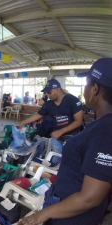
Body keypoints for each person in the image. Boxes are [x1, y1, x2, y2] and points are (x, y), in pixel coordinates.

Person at [19, 58, 112, 225]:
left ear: (95, 89)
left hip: (72, 217)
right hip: (66, 203)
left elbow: (90, 198)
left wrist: (43, 214)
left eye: (86, 84)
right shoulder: (101, 125)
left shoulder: (105, 132)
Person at [19, 79, 83, 164]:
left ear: (58, 89)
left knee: (71, 162)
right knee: (55, 162)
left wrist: (60, 131)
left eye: (50, 92)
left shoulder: (72, 100)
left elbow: (78, 121)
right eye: (47, 93)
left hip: (72, 137)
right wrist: (23, 122)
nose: (48, 95)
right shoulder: (49, 104)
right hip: (57, 138)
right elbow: (37, 115)